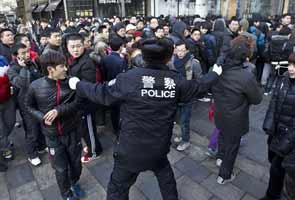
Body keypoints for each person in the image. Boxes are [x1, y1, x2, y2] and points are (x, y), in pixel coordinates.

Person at [68, 38, 222, 200]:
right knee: (166, 179)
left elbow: (101, 93)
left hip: (129, 148)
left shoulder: (128, 78)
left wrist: (78, 85)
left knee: (118, 188)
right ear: (169, 58)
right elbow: (199, 86)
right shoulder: (176, 81)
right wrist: (215, 74)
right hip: (158, 147)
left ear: (143, 56)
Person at [25, 51, 85, 200]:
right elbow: (28, 106)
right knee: (60, 168)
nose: (65, 69)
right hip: (52, 136)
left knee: (76, 164)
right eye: (62, 66)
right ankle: (66, 194)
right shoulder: (35, 86)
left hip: (73, 131)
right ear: (50, 69)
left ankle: (74, 182)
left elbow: (79, 102)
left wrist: (59, 110)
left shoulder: (72, 83)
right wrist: (42, 117)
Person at [212, 35, 263, 184]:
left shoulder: (217, 69)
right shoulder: (245, 76)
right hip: (236, 117)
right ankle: (224, 175)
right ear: (245, 56)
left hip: (220, 112)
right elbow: (257, 99)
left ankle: (220, 158)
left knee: (222, 135)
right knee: (232, 146)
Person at [260, 53, 295, 200]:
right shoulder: (285, 77)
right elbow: (274, 100)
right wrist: (268, 125)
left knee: (278, 168)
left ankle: (272, 195)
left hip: (289, 139)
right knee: (274, 166)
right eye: (290, 64)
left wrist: (286, 143)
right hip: (276, 132)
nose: (291, 68)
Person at [64, 33, 103, 163]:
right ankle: (91, 146)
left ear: (84, 45)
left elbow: (87, 86)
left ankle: (95, 151)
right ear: (67, 47)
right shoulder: (72, 59)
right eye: (72, 46)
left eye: (78, 46)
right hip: (79, 103)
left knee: (88, 129)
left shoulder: (87, 62)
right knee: (85, 129)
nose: (75, 49)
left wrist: (72, 82)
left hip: (86, 104)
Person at [172, 40, 202, 151]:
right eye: (178, 50)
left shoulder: (193, 63)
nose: (180, 53)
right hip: (176, 95)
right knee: (179, 119)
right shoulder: (172, 60)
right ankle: (182, 136)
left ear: (187, 50)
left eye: (182, 51)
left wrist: (193, 92)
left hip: (187, 97)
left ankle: (186, 140)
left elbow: (199, 79)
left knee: (185, 120)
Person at [0, 55, 15, 170]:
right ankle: (5, 149)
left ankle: (5, 140)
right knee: (1, 130)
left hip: (7, 100)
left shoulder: (2, 59)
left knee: (10, 122)